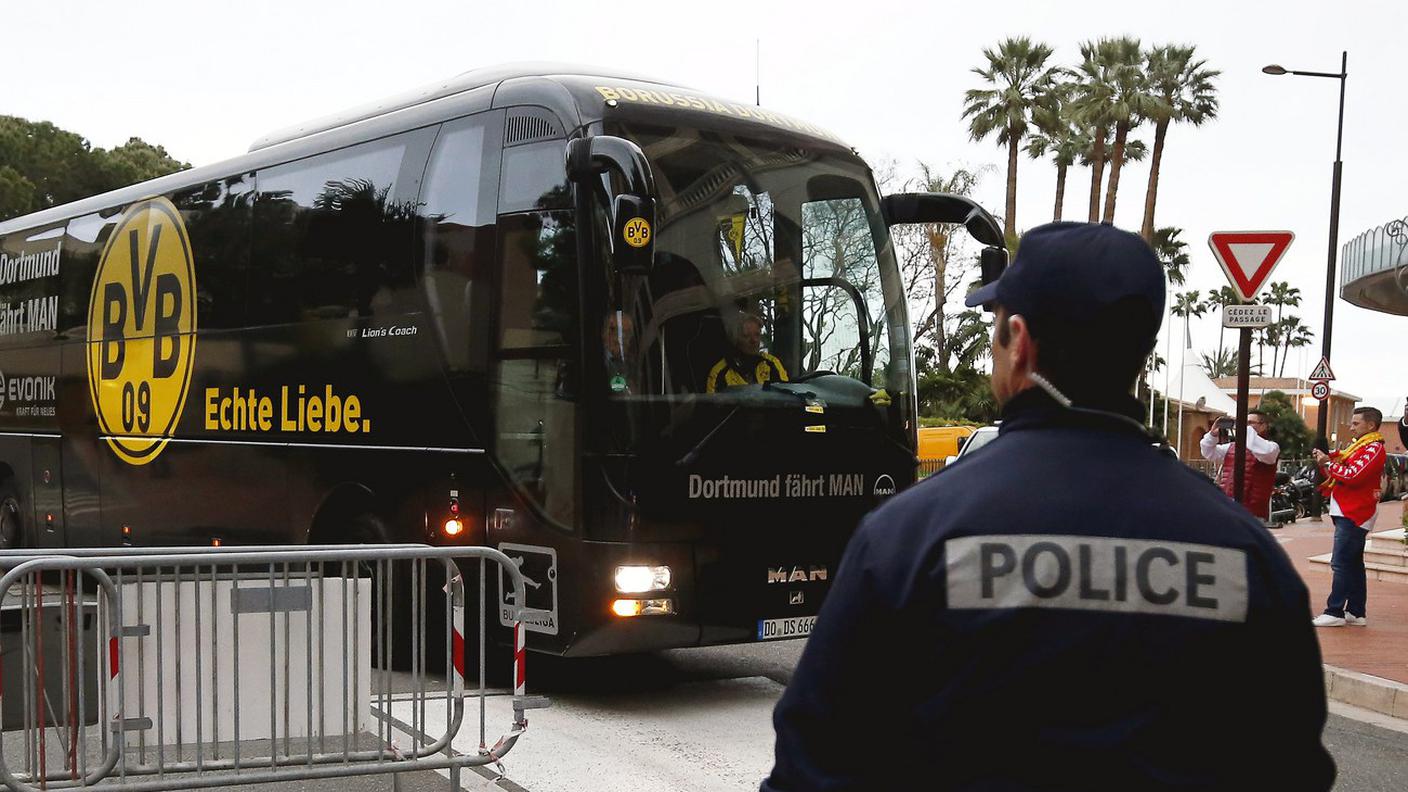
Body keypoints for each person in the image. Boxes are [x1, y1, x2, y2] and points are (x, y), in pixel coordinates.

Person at [761, 222, 1334, 792]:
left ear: (1021, 344)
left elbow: (815, 761)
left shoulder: (908, 536)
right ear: (1136, 352)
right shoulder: (1243, 552)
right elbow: (1292, 765)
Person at [1311, 406, 1388, 627]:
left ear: (1370, 425)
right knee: (1353, 563)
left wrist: (1327, 462)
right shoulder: (1359, 448)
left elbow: (1352, 475)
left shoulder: (1373, 448)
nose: (1351, 427)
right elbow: (1342, 475)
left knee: (1342, 562)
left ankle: (1334, 610)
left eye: (1356, 423)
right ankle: (1355, 611)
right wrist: (1328, 463)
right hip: (1349, 509)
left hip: (1356, 511)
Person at [1199, 410, 1281, 521]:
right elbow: (1208, 452)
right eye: (1244, 423)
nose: (1246, 426)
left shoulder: (1271, 447)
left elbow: (1260, 449)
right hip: (1228, 503)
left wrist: (1243, 428)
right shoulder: (1232, 447)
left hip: (1253, 509)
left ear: (1264, 426)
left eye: (1250, 422)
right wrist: (1212, 435)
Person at [705, 312, 788, 393]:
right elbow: (712, 405)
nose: (754, 340)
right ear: (735, 339)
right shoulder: (719, 372)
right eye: (746, 336)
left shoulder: (771, 364)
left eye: (757, 335)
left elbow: (787, 397)